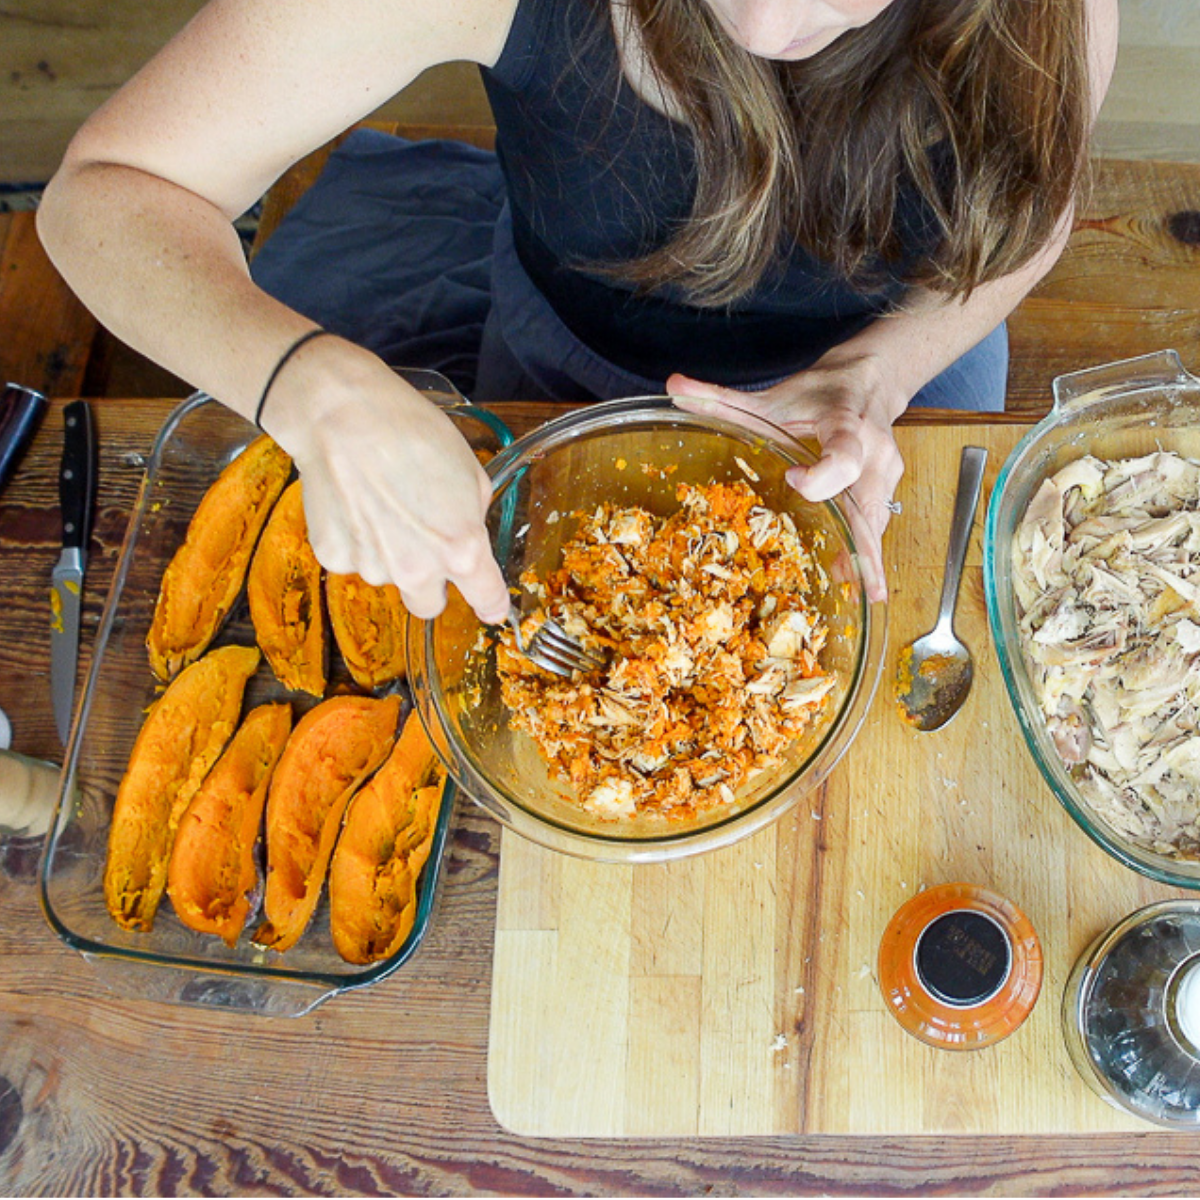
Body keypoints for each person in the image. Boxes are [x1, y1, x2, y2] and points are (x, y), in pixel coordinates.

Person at [37, 0, 1119, 620]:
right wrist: (307, 386)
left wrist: (883, 369)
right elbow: (107, 193)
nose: (767, 20)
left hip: (914, 388)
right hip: (563, 367)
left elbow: (1037, 200)